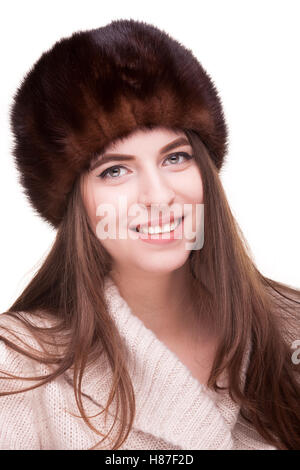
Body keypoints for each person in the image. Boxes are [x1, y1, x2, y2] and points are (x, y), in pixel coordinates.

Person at [0, 18, 299, 451]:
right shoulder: (18, 364)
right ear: (74, 202)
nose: (159, 196)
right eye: (115, 170)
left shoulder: (288, 329)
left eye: (175, 158)